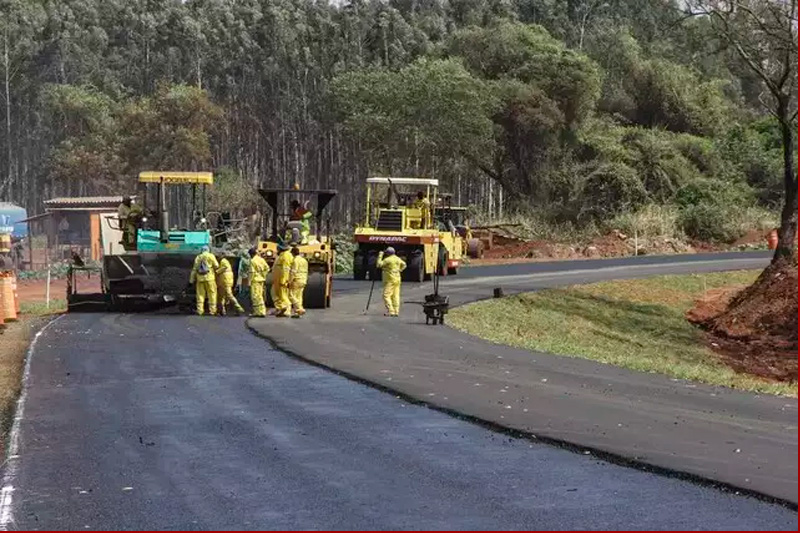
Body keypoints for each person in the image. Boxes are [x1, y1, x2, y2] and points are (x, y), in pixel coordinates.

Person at [376, 247, 406, 317]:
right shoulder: (398, 259)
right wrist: (400, 270)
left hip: (390, 279)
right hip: (397, 278)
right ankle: (396, 311)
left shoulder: (387, 260)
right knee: (395, 295)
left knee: (386, 295)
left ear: (387, 253)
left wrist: (380, 255)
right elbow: (404, 264)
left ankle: (391, 310)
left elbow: (378, 265)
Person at [190, 245, 219, 316]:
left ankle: (200, 310)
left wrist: (191, 280)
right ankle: (212, 311)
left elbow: (194, 269)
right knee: (212, 294)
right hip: (210, 278)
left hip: (200, 279)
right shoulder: (211, 256)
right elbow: (216, 265)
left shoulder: (198, 257)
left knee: (200, 295)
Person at [272, 241, 293, 317]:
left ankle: (286, 310)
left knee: (283, 295)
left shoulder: (286, 256)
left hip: (282, 280)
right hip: (278, 279)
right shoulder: (282, 255)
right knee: (276, 294)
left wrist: (284, 280)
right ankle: (280, 308)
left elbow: (285, 269)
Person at [249, 248, 269, 317]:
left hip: (255, 280)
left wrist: (249, 281)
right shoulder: (261, 259)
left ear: (251, 254)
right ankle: (262, 311)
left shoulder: (252, 261)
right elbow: (267, 268)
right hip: (261, 280)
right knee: (260, 295)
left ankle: (257, 312)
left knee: (255, 296)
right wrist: (263, 275)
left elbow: (252, 272)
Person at [288, 246, 309, 318]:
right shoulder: (304, 260)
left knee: (291, 295)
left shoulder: (295, 260)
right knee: (299, 296)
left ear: (293, 253)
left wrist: (289, 281)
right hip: (303, 280)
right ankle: (297, 312)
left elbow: (293, 271)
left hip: (296, 280)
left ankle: (300, 308)